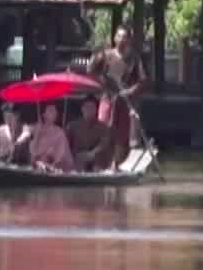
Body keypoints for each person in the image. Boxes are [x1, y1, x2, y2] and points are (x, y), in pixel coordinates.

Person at [88, 26, 147, 169]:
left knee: (121, 135)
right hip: (108, 98)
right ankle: (98, 164)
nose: (121, 40)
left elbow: (143, 81)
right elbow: (91, 71)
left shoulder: (133, 59)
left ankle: (115, 164)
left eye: (124, 37)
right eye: (119, 36)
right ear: (115, 38)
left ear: (129, 40)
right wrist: (101, 82)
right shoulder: (106, 55)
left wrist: (129, 91)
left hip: (124, 100)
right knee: (103, 130)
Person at [26, 101, 76, 173]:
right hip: (36, 165)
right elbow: (32, 152)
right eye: (51, 110)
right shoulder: (35, 128)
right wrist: (37, 135)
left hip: (53, 166)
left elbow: (61, 155)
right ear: (44, 114)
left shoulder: (59, 132)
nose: (54, 113)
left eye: (55, 111)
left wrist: (50, 161)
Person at [67, 97, 111, 172]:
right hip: (78, 155)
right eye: (87, 107)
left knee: (99, 158)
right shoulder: (72, 125)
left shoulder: (103, 127)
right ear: (82, 109)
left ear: (96, 110)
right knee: (77, 160)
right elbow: (66, 143)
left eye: (92, 108)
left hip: (95, 155)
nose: (89, 110)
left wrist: (92, 153)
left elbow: (104, 143)